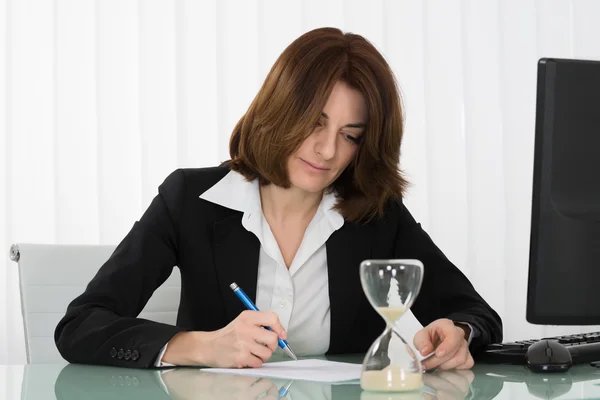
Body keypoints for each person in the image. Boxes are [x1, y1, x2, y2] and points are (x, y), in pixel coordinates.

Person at [54, 27, 502, 371]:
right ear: (280, 110)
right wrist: (200, 346)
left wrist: (459, 331)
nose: (327, 151)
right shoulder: (191, 200)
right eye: (314, 123)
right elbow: (80, 326)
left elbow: (477, 315)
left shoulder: (377, 216)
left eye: (350, 136)